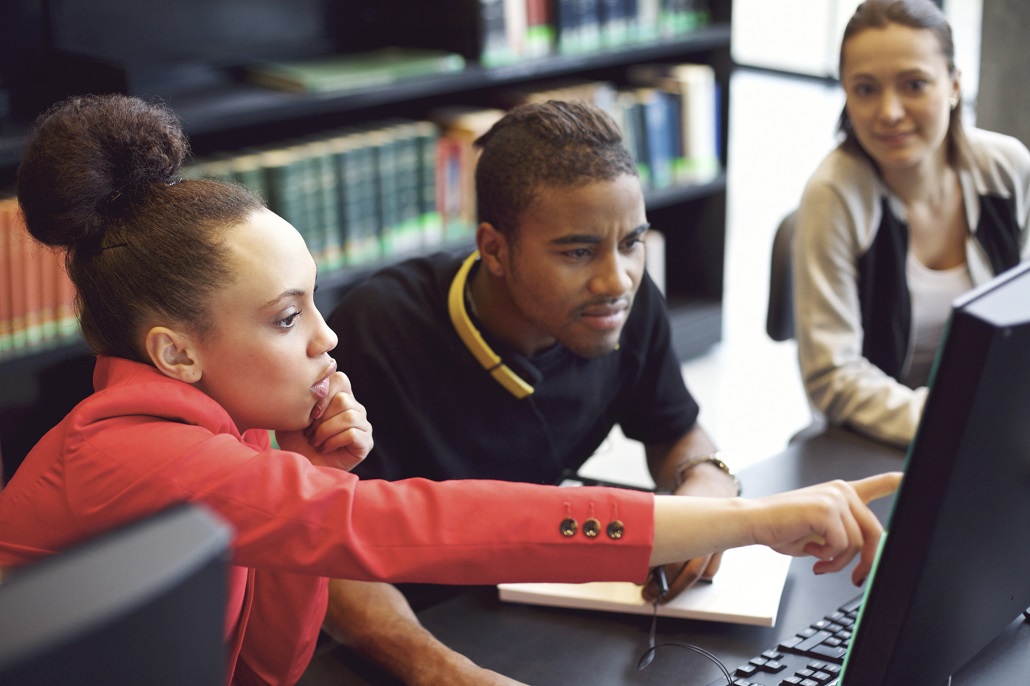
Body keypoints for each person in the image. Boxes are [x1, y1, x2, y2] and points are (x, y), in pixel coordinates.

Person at [0, 93, 899, 686]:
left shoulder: (223, 439)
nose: (328, 336)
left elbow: (264, 668)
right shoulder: (134, 453)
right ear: (177, 352)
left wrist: (314, 471)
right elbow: (425, 523)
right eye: (286, 318)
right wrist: (750, 521)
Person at [320, 100, 778, 685]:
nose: (617, 280)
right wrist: (442, 672)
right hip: (409, 628)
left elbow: (674, 429)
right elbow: (326, 554)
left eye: (632, 242)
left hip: (532, 604)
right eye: (578, 251)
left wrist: (709, 481)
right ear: (494, 250)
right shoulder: (379, 331)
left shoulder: (623, 309)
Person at [793, 0, 1030, 447]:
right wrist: (951, 420)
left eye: (914, 85)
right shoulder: (834, 195)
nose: (889, 112)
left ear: (955, 84)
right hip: (878, 441)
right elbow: (832, 376)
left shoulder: (1007, 169)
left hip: (997, 425)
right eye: (865, 89)